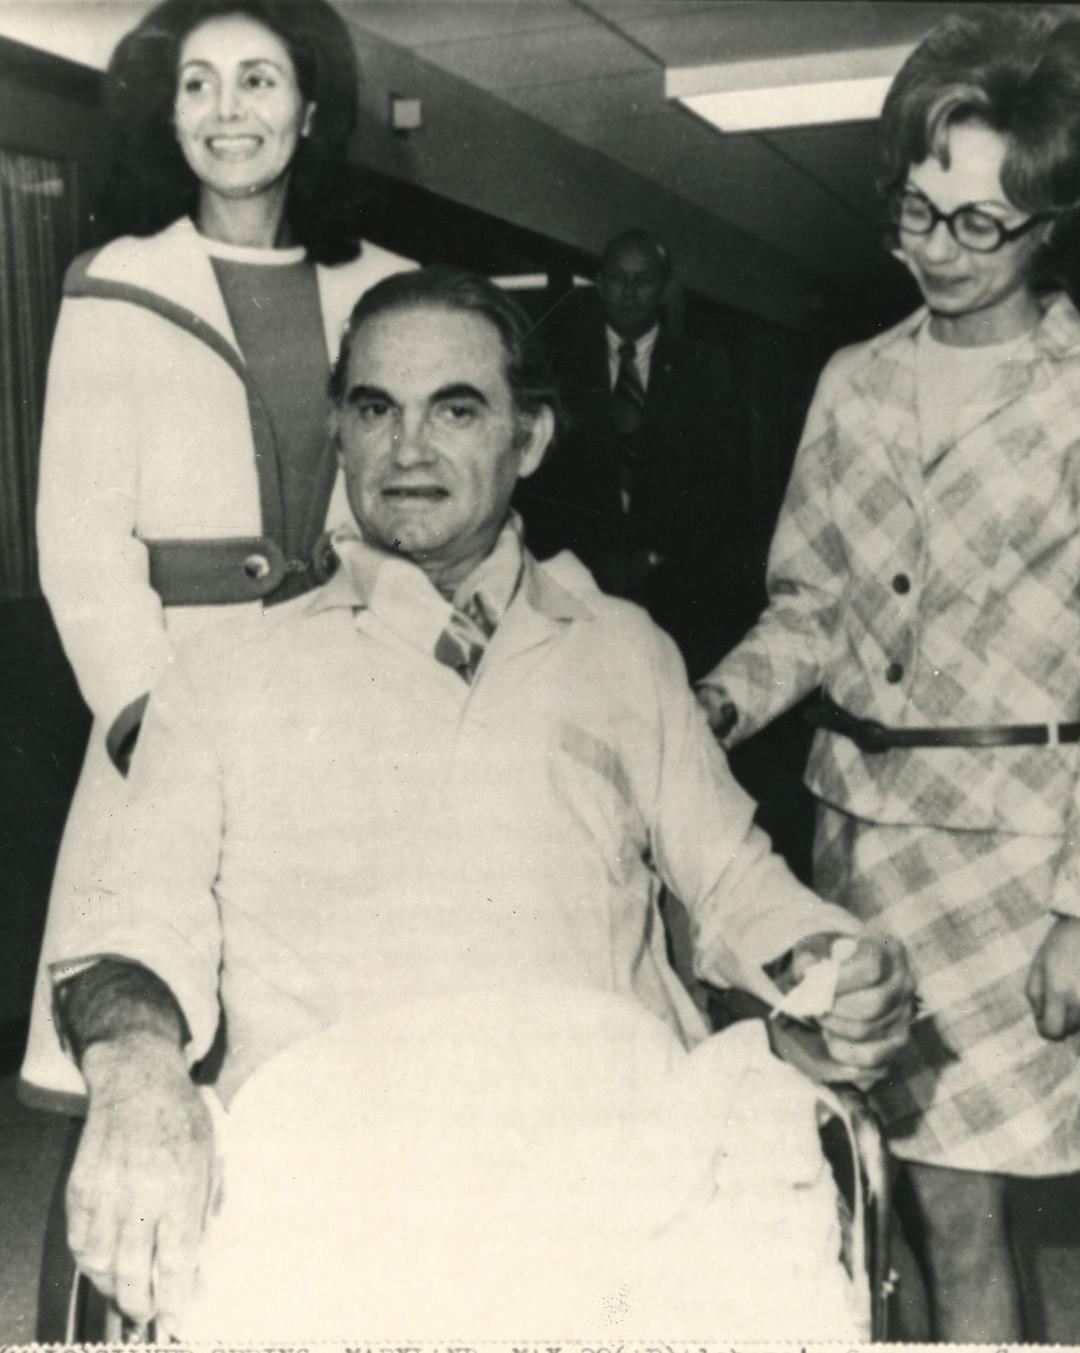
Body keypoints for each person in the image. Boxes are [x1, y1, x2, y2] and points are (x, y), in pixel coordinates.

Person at [47, 267, 914, 1335]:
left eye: (455, 409)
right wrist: (137, 1075)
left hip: (618, 1147)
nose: (408, 449)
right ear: (342, 434)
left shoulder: (625, 654)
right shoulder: (225, 675)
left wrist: (830, 968)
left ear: (532, 439)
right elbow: (127, 921)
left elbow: (737, 883)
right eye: (376, 410)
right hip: (343, 1162)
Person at [696, 8, 1080, 1341]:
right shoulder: (853, 383)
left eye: (982, 225)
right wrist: (714, 703)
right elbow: (810, 605)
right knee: (860, 1189)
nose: (941, 250)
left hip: (1018, 870)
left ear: (1054, 224)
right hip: (855, 844)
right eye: (920, 211)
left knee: (962, 1211)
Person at [22, 0, 415, 1112]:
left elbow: (407, 509)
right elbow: (79, 534)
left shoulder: (386, 286)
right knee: (156, 1024)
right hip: (171, 694)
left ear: (309, 110)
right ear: (167, 113)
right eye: (197, 83)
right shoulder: (116, 286)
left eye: (256, 79)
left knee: (335, 1029)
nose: (225, 110)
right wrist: (145, 715)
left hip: (342, 687)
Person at [517, 229, 757, 676]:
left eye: (643, 279)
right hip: (577, 585)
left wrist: (651, 557)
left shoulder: (705, 370)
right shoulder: (557, 366)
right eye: (617, 277)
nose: (628, 292)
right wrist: (591, 560)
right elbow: (538, 483)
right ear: (601, 283)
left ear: (664, 288)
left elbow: (723, 485)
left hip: (677, 591)